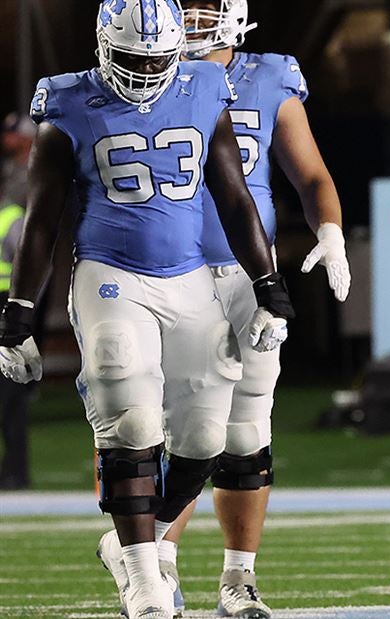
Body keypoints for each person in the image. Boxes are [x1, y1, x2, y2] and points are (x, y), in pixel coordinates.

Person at [0, 1, 295, 617]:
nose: (144, 71)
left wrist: (270, 287)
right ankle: (144, 579)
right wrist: (19, 315)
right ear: (105, 46)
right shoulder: (69, 100)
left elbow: (235, 195)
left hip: (189, 278)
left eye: (156, 58)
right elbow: (42, 216)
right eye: (132, 58)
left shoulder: (204, 88)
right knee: (130, 418)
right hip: (110, 272)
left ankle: (133, 538)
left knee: (207, 437)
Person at [91, 1, 351, 617]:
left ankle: (238, 579)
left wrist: (331, 229)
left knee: (246, 432)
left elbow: (310, 173)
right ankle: (152, 559)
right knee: (144, 422)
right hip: (159, 274)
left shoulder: (269, 75)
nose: (195, 13)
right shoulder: (126, 74)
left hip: (243, 275)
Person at [0, 196, 29, 491]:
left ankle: (16, 471)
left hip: (5, 309)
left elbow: (29, 264)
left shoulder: (10, 216)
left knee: (10, 397)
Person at [0, 113, 35, 207]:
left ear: (26, 137)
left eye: (12, 133)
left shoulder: (40, 165)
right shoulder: (8, 166)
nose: (6, 137)